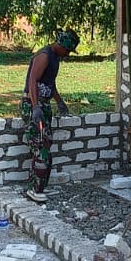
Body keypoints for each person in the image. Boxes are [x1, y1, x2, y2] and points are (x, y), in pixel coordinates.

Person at [21, 29, 79, 203]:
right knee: (40, 148)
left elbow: (50, 84)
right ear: (60, 45)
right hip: (33, 105)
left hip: (44, 105)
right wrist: (35, 106)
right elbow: (33, 80)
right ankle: (34, 190)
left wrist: (59, 102)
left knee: (46, 145)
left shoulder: (55, 59)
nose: (68, 54)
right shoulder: (44, 56)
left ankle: (39, 187)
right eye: (67, 51)